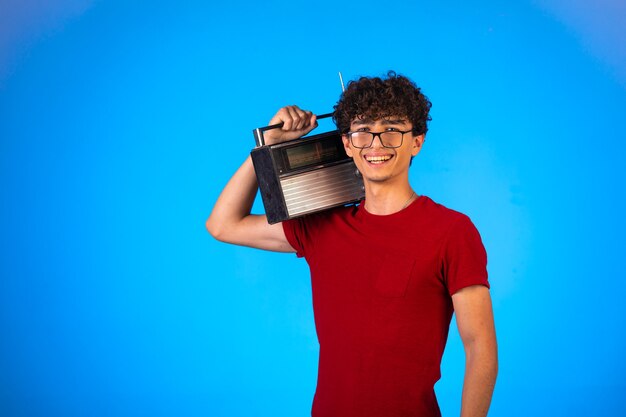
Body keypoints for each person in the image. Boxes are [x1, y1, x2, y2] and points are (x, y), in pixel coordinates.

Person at [206, 71, 497, 417]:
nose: (376, 144)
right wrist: (265, 146)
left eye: (391, 130)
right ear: (347, 143)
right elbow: (223, 225)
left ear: (417, 141)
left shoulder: (452, 231)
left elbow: (480, 347)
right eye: (362, 131)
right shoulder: (322, 228)